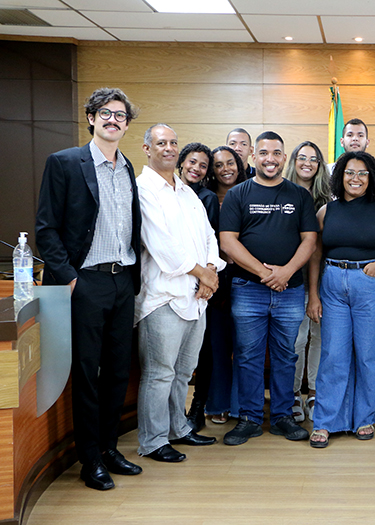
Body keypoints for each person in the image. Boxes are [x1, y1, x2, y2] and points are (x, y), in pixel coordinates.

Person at [36, 87, 143, 491]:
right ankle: (90, 458)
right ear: (91, 117)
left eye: (120, 115)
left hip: (122, 279)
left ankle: (111, 447)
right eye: (105, 113)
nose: (113, 120)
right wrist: (73, 279)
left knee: (118, 371)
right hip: (86, 281)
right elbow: (46, 230)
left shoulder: (128, 167)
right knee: (87, 375)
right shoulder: (65, 163)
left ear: (127, 124)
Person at [307, 151, 375, 448]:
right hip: (332, 284)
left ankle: (365, 417)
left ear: (372, 179)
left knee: (369, 355)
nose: (356, 178)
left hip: (369, 284)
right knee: (333, 355)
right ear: (339, 175)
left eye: (363, 174)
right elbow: (315, 254)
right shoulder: (326, 211)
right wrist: (313, 294)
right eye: (350, 173)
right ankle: (326, 422)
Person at [220, 131, 317, 446]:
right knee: (248, 355)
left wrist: (286, 271)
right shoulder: (237, 194)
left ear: (284, 157)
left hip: (290, 289)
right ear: (253, 156)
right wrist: (264, 273)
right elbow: (228, 241)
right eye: (263, 153)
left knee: (285, 355)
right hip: (248, 288)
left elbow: (310, 240)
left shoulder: (300, 196)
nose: (270, 159)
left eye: (276, 153)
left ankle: (282, 417)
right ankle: (248, 418)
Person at [135, 124, 225, 462]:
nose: (169, 148)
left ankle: (178, 428)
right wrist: (204, 274)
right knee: (160, 373)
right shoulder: (143, 189)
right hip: (163, 298)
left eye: (173, 142)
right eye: (161, 143)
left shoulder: (187, 192)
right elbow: (162, 247)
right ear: (147, 148)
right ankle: (153, 441)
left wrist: (211, 271)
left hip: (197, 297)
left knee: (184, 373)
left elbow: (208, 237)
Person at [284, 140, 332, 422]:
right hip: (292, 279)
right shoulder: (282, 192)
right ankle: (292, 395)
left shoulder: (327, 199)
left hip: (324, 279)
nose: (307, 163)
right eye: (302, 158)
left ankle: (314, 392)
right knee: (296, 340)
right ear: (293, 161)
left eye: (314, 159)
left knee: (320, 339)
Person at [202, 146, 247, 425]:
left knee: (245, 344)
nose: (225, 169)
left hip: (246, 275)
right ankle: (217, 402)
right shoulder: (204, 199)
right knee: (217, 344)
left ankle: (241, 403)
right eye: (218, 165)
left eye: (230, 163)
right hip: (214, 277)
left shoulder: (251, 192)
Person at [177, 143, 218, 432]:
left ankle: (197, 409)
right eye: (192, 162)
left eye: (203, 165)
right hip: (172, 282)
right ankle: (173, 416)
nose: (196, 169)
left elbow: (210, 243)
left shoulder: (207, 198)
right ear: (181, 162)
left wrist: (207, 276)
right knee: (173, 358)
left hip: (204, 284)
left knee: (203, 352)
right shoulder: (163, 193)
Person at [327, 118, 375, 201]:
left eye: (360, 135)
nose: (355, 139)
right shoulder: (327, 170)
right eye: (350, 135)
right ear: (342, 142)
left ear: (367, 142)